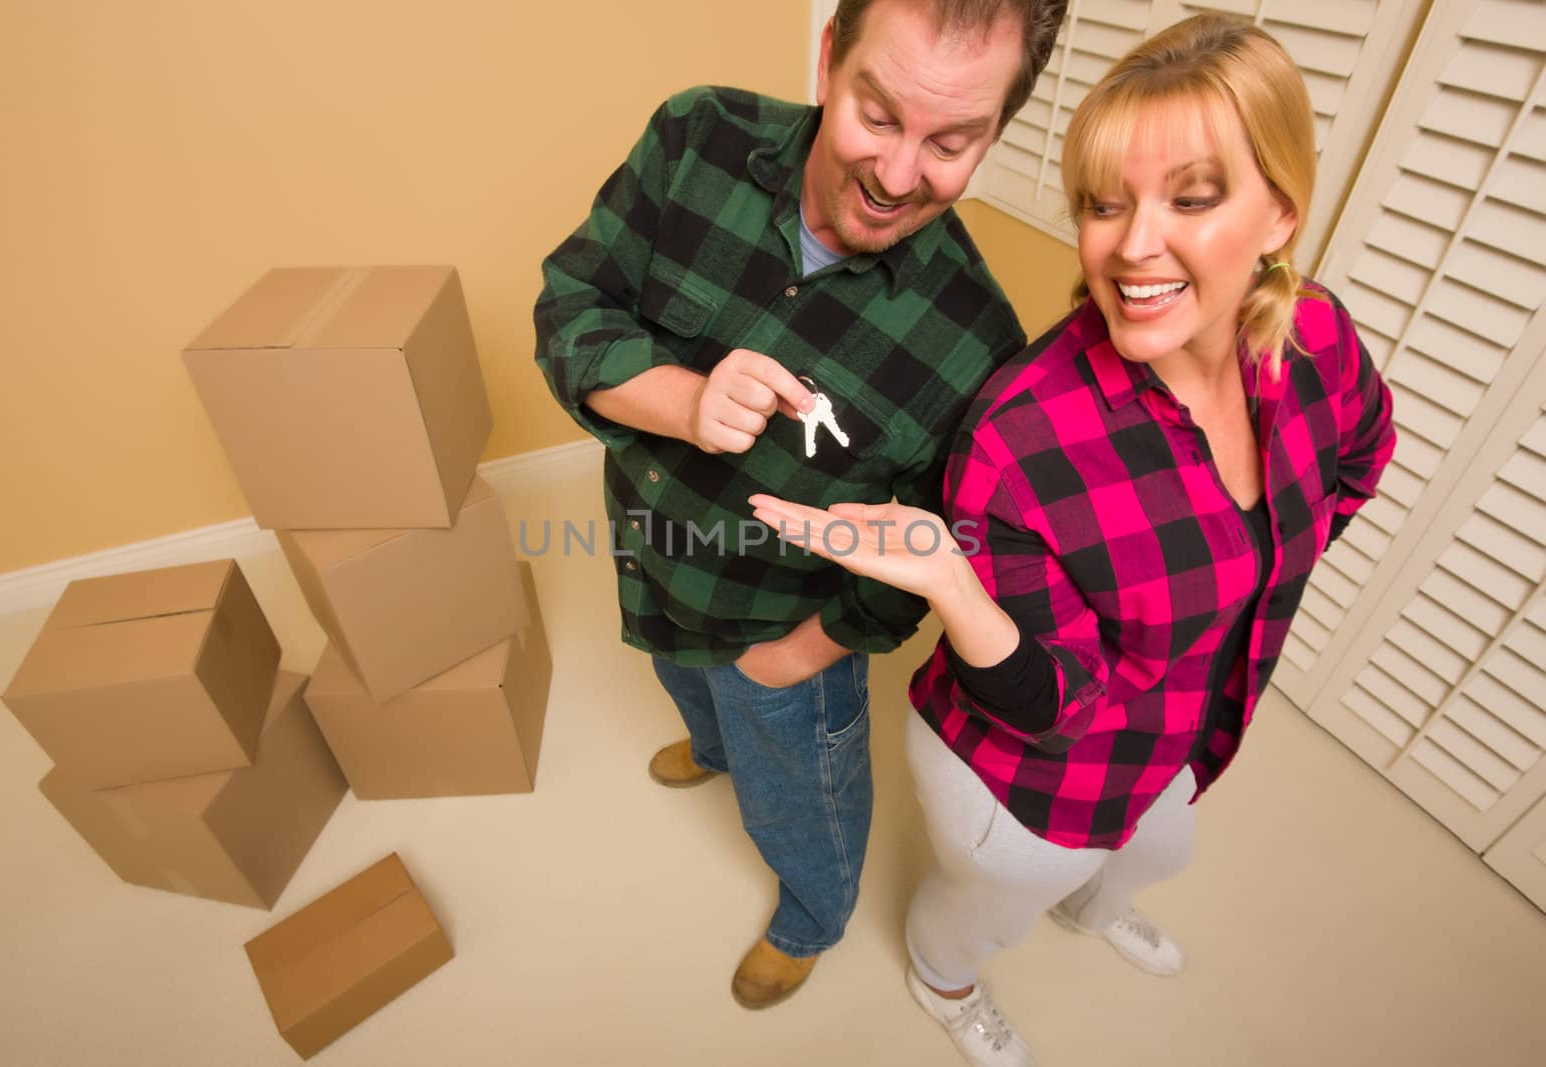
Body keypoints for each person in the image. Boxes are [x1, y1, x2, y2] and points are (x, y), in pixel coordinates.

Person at [749, 12, 1396, 1062]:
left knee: (1158, 851)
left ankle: (1095, 906)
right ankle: (942, 978)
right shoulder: (1025, 433)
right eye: (1104, 204)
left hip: (1180, 728)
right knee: (989, 905)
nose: (1132, 245)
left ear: (1278, 210)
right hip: (1026, 780)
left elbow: (1364, 451)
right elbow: (1051, 699)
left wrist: (1246, 578)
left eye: (1191, 197)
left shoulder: (1311, 332)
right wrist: (954, 587)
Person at [533, 0, 1069, 1009]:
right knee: (684, 683)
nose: (899, 175)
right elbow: (573, 306)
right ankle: (712, 745)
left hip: (783, 631)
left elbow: (928, 552)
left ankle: (811, 914)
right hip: (652, 560)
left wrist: (798, 655)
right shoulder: (695, 136)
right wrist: (685, 402)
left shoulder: (981, 349)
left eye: (951, 142)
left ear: (994, 135)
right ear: (830, 59)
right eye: (878, 116)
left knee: (802, 796)